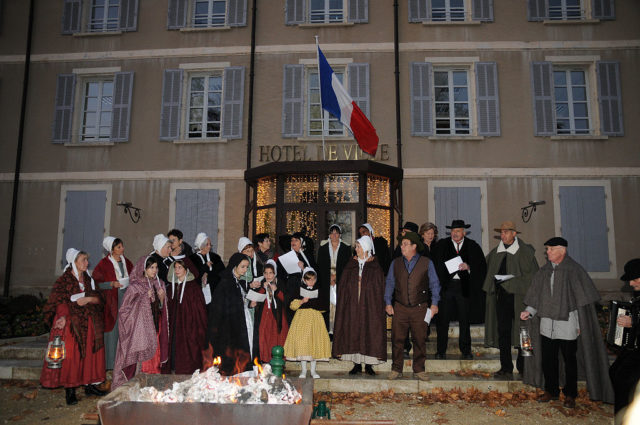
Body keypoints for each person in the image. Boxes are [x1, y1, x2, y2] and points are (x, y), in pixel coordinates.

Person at [520, 237, 614, 408]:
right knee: (548, 359)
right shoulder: (544, 271)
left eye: (550, 249)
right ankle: (551, 391)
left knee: (569, 360)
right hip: (547, 324)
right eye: (547, 249)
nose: (547, 252)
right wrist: (529, 311)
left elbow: (581, 303)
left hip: (568, 323)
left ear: (562, 250)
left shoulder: (574, 271)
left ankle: (570, 394)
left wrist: (579, 325)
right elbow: (536, 298)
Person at [40, 248, 106, 405]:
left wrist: (89, 300)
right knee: (72, 356)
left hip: (90, 322)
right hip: (72, 323)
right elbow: (58, 300)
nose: (87, 263)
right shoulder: (64, 281)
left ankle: (90, 385)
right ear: (74, 262)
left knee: (91, 355)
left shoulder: (88, 279)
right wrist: (63, 316)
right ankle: (70, 390)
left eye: (86, 260)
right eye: (83, 260)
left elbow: (99, 298)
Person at [482, 221, 539, 378]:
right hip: (502, 299)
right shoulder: (496, 253)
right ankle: (505, 367)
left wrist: (513, 282)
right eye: (501, 232)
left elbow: (534, 277)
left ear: (514, 234)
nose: (503, 235)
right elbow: (484, 269)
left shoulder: (526, 252)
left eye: (506, 232)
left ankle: (525, 367)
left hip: (521, 298)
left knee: (524, 333)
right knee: (503, 332)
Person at [385, 232, 441, 381]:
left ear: (414, 246)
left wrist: (434, 303)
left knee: (420, 339)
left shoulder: (426, 262)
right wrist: (388, 302)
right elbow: (390, 283)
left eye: (405, 244)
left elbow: (434, 284)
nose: (402, 246)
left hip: (420, 307)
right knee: (397, 339)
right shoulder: (395, 263)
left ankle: (419, 369)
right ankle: (396, 369)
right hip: (400, 307)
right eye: (401, 244)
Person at [432, 219, 487, 360]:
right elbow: (435, 265)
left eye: (457, 231)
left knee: (464, 319)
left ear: (464, 232)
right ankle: (441, 350)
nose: (455, 234)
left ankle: (466, 350)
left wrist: (469, 267)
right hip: (446, 287)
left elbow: (481, 268)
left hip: (464, 287)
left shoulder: (472, 246)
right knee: (443, 320)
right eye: (452, 231)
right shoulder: (442, 245)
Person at [112, 255, 169, 389]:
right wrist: (143, 298)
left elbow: (161, 309)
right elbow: (124, 310)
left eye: (156, 268)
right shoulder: (135, 286)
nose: (154, 271)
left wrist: (162, 299)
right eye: (151, 268)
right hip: (139, 332)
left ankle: (153, 384)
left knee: (155, 357)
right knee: (143, 360)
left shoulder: (159, 283)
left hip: (155, 327)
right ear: (143, 269)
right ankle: (139, 383)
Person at [332, 236, 386, 375]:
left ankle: (369, 364)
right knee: (354, 330)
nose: (356, 249)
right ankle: (356, 363)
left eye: (358, 246)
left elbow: (379, 286)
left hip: (369, 305)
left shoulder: (375, 265)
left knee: (369, 330)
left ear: (366, 248)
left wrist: (365, 284)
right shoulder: (351, 264)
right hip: (353, 305)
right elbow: (344, 285)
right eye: (356, 246)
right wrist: (356, 283)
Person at [210, 253, 260, 375]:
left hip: (242, 321)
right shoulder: (226, 283)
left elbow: (239, 302)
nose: (245, 270)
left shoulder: (238, 282)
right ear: (234, 266)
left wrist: (249, 304)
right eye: (243, 267)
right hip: (230, 326)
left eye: (247, 267)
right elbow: (221, 308)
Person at [91, 236, 133, 370]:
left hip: (126, 300)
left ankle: (123, 363)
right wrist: (111, 284)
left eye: (122, 246)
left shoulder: (126, 262)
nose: (122, 249)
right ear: (112, 249)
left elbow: (135, 275)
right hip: (112, 303)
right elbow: (95, 283)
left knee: (124, 332)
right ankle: (110, 364)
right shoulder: (103, 264)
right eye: (119, 247)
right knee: (112, 333)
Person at [284, 267, 331, 379]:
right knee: (303, 344)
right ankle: (304, 371)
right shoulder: (298, 290)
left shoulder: (319, 289)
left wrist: (313, 302)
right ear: (304, 280)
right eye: (308, 279)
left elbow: (324, 306)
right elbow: (292, 305)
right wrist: (302, 301)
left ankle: (313, 371)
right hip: (302, 318)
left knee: (314, 344)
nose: (311, 282)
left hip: (315, 319)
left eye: (313, 279)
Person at [165, 259, 207, 374]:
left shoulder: (193, 288)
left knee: (188, 347)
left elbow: (200, 311)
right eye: (175, 268)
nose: (177, 270)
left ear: (186, 270)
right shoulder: (170, 288)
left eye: (180, 268)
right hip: (174, 325)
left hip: (188, 325)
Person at [610, 258, 640, 416]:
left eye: (635, 279)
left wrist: (634, 322)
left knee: (626, 379)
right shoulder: (637, 297)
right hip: (634, 348)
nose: (631, 284)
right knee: (615, 372)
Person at [316, 224, 351, 336]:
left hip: (340, 280)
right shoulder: (323, 248)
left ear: (340, 235)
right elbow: (320, 266)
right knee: (328, 304)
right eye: (332, 233)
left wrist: (336, 277)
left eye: (336, 233)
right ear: (329, 235)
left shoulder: (345, 248)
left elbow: (347, 266)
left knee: (339, 304)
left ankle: (339, 329)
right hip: (326, 280)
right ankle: (328, 330)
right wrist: (328, 278)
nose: (334, 235)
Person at [253, 260, 289, 363]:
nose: (268, 275)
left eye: (270, 273)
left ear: (275, 273)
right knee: (264, 335)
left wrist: (276, 290)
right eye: (266, 273)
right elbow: (257, 299)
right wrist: (263, 290)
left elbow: (285, 299)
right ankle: (264, 359)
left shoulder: (280, 283)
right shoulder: (261, 284)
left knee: (276, 336)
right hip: (265, 314)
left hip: (277, 316)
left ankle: (277, 360)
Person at [278, 231, 318, 324]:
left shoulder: (308, 256)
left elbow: (314, 276)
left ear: (302, 243)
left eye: (296, 240)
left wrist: (303, 268)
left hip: (302, 291)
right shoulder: (287, 257)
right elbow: (280, 275)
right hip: (289, 290)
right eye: (292, 240)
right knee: (289, 317)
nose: (293, 242)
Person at [189, 232, 225, 297]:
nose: (209, 246)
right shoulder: (192, 259)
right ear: (201, 246)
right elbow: (194, 274)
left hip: (214, 290)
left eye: (210, 244)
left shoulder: (215, 257)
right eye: (207, 244)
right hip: (198, 291)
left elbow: (222, 272)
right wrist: (205, 267)